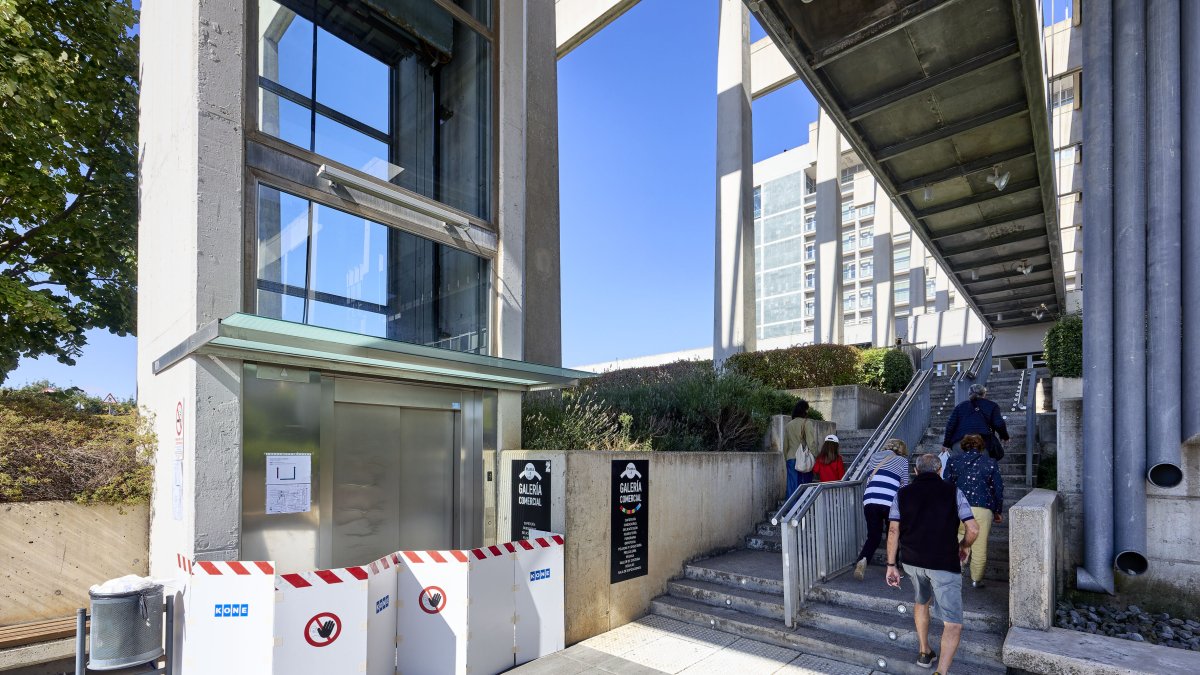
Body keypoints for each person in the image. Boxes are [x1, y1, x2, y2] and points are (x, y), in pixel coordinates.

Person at [886, 453, 980, 674]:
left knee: (921, 601)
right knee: (953, 622)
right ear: (940, 471)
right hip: (944, 563)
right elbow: (973, 528)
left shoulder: (902, 494)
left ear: (915, 472)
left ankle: (924, 651)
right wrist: (964, 546)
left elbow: (893, 530)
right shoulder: (953, 492)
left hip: (912, 561)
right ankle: (941, 672)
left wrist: (891, 564)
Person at [943, 433, 1004, 588]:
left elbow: (947, 484)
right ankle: (976, 580)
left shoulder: (953, 461)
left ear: (963, 446)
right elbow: (998, 488)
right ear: (981, 446)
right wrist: (998, 510)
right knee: (979, 545)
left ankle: (954, 575)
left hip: (957, 508)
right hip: (982, 508)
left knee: (956, 540)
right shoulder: (990, 462)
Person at [853, 438, 910, 580]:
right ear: (901, 450)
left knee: (874, 535)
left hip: (870, 499)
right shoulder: (902, 461)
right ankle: (893, 566)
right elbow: (904, 485)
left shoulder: (874, 456)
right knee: (893, 533)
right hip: (890, 500)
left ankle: (862, 560)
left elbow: (868, 474)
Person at [941, 383, 1009, 460]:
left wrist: (945, 444)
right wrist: (1005, 437)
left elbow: (950, 425)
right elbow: (999, 423)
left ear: (969, 394)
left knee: (960, 468)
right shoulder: (992, 406)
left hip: (960, 443)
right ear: (984, 394)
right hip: (981, 444)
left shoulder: (960, 406)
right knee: (981, 468)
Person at [784, 400, 817, 497]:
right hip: (803, 459)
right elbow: (811, 443)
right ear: (805, 411)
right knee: (803, 485)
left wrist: (786, 458)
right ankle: (801, 509)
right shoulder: (807, 423)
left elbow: (785, 445)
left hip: (790, 458)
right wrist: (816, 455)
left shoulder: (789, 425)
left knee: (791, 486)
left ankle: (790, 509)